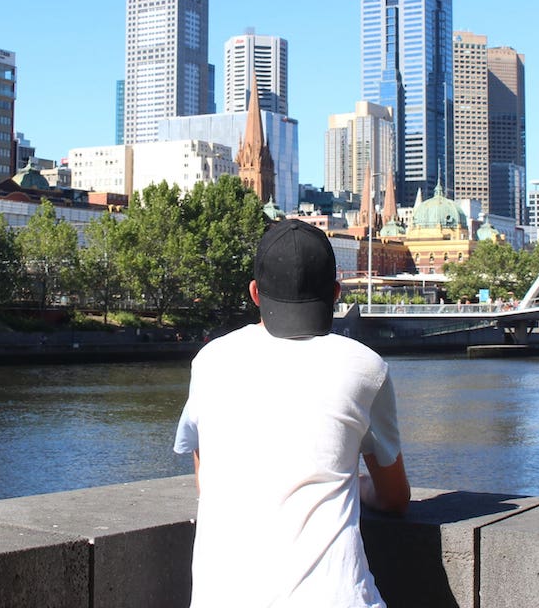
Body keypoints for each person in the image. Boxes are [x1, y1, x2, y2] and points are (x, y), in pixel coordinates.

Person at [173, 220, 410, 607]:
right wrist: (358, 486)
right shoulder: (366, 367)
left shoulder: (210, 361)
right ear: (335, 294)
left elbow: (208, 480)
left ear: (255, 293)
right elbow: (395, 498)